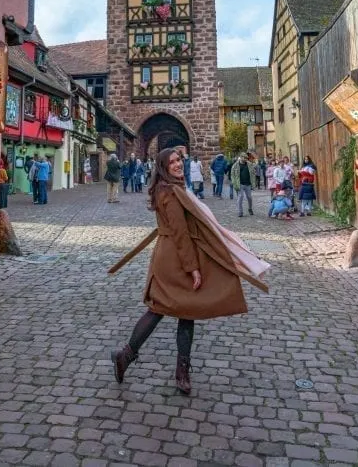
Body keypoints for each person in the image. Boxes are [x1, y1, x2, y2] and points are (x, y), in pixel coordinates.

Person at [111, 148, 270, 395]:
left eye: (179, 160)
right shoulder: (171, 193)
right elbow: (180, 233)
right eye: (172, 162)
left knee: (184, 311)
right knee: (159, 309)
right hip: (175, 258)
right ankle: (133, 358)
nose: (177, 164)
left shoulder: (172, 187)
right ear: (163, 166)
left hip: (173, 255)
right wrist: (193, 268)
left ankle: (169, 368)